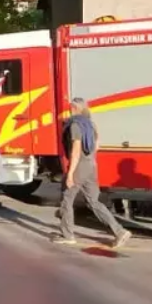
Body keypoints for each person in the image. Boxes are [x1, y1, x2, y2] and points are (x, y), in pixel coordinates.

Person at [53, 98, 131, 248]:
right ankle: (119, 231)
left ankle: (67, 235)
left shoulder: (75, 124)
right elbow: (97, 145)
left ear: (76, 108)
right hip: (91, 165)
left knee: (67, 199)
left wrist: (70, 174)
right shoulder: (90, 123)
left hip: (79, 166)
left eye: (71, 108)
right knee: (94, 202)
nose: (70, 111)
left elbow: (76, 150)